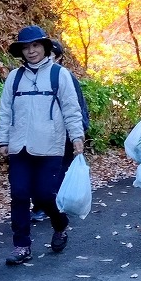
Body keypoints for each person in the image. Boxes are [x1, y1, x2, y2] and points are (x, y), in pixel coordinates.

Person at [0, 26, 85, 265]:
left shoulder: (59, 75)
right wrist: (3, 139)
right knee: (19, 195)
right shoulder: (14, 78)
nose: (31, 51)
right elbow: (5, 111)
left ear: (45, 47)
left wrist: (77, 137)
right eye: (26, 47)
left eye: (35, 46)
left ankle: (60, 224)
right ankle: (21, 246)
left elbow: (71, 109)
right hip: (19, 148)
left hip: (50, 146)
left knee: (45, 195)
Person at [31, 39, 91, 222]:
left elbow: (77, 106)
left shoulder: (65, 76)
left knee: (58, 170)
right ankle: (43, 204)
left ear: (57, 57)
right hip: (43, 134)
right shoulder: (34, 77)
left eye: (50, 55)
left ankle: (50, 205)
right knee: (40, 170)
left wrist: (78, 133)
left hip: (64, 134)